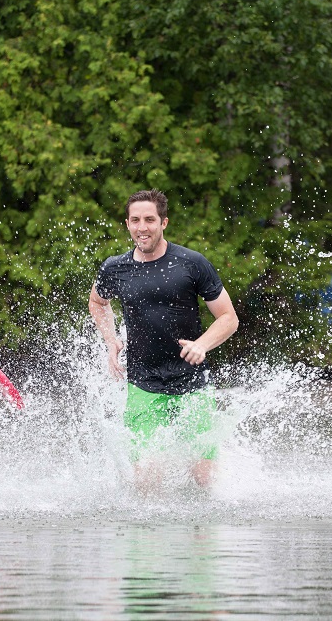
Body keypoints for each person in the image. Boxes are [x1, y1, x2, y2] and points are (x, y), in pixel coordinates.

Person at [88, 189, 239, 490]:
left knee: (204, 479)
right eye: (135, 220)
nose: (142, 227)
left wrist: (202, 344)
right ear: (127, 224)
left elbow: (229, 318)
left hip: (191, 381)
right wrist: (110, 340)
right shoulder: (115, 268)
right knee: (146, 480)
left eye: (149, 220)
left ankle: (203, 534)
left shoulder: (191, 263)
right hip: (143, 381)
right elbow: (97, 302)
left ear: (163, 222)